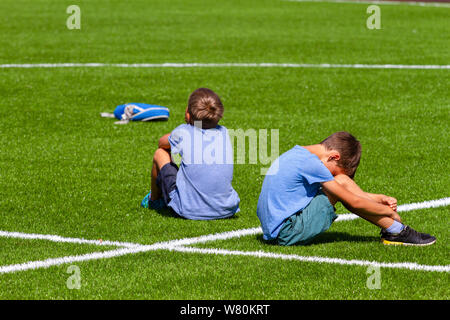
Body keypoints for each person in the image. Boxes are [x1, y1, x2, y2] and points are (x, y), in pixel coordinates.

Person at [257, 131, 436, 246]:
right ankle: (397, 230)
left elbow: (352, 195)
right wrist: (389, 213)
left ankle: (394, 229)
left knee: (340, 181)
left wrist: (377, 198)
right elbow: (353, 201)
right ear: (334, 156)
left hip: (277, 228)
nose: (331, 175)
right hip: (287, 232)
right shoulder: (311, 164)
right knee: (340, 182)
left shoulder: (298, 153)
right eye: (334, 170)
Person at [141, 88, 240, 220]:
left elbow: (161, 143)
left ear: (188, 113)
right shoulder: (225, 132)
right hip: (226, 208)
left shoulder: (184, 132)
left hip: (188, 209)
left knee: (160, 153)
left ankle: (154, 200)